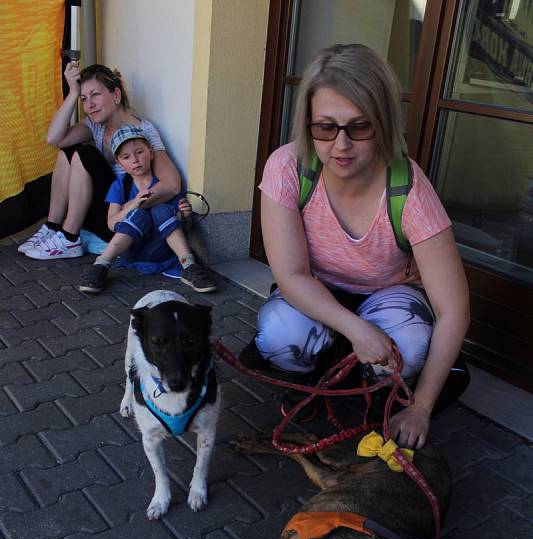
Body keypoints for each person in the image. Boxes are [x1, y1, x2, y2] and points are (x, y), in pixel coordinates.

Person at [242, 43, 470, 450]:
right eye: (325, 127)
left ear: (383, 121)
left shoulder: (409, 189)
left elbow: (454, 309)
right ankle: (323, 369)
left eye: (359, 127)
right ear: (307, 122)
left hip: (387, 295)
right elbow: (290, 274)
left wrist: (420, 407)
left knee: (413, 347)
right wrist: (356, 329)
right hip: (316, 290)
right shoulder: (288, 166)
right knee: (278, 335)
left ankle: (369, 379)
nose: (341, 145)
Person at [18, 62, 180, 263]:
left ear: (116, 95)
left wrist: (133, 203)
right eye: (84, 99)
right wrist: (72, 93)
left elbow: (172, 184)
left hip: (123, 221)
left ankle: (69, 237)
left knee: (86, 155)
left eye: (95, 95)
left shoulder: (143, 132)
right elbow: (54, 139)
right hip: (100, 212)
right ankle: (53, 227)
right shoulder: (96, 126)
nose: (89, 105)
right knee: (67, 151)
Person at [78, 125, 216, 293]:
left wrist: (186, 216)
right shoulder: (120, 186)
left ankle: (189, 267)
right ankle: (100, 267)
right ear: (119, 162)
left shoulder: (163, 185)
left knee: (161, 210)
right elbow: (112, 224)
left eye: (139, 152)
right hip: (131, 250)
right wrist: (134, 203)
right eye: (126, 157)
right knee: (139, 214)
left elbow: (183, 228)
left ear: (151, 152)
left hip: (160, 251)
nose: (135, 160)